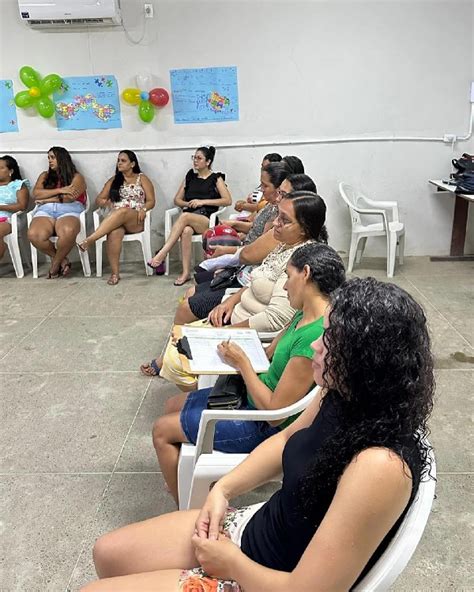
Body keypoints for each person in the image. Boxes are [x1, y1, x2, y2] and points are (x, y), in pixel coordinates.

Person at [82, 278, 435, 592]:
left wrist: (229, 562)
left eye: (328, 341)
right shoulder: (341, 391)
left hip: (263, 577)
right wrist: (222, 489)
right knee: (108, 553)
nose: (315, 346)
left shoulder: (381, 466)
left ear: (364, 359)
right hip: (256, 528)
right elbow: (283, 440)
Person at [152, 243, 346, 503]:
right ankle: (185, 481)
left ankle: (188, 510)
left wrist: (242, 363)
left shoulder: (313, 339)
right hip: (251, 396)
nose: (286, 286)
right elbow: (268, 354)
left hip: (262, 425)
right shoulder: (303, 314)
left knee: (161, 430)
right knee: (170, 406)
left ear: (306, 273)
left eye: (288, 277)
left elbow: (275, 414)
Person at [140, 188, 326, 381]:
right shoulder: (283, 244)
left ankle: (203, 390)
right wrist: (229, 302)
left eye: (284, 220)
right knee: (178, 338)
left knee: (175, 361)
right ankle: (196, 387)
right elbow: (256, 280)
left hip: (246, 331)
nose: (276, 223)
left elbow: (276, 319)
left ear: (304, 228)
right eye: (278, 215)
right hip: (235, 315)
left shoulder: (298, 262)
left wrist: (227, 331)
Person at [147, 146, 232, 286]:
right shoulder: (190, 177)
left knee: (184, 217)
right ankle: (185, 272)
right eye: (194, 157)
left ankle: (163, 253)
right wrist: (188, 203)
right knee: (186, 230)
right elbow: (177, 200)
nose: (195, 161)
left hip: (207, 219)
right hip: (190, 217)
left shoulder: (216, 178)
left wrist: (202, 202)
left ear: (208, 161)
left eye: (199, 158)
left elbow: (227, 200)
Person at [77, 151, 155, 285]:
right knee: (113, 232)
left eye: (123, 160)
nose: (119, 163)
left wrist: (144, 209)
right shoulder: (114, 180)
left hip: (135, 219)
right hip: (116, 220)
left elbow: (151, 201)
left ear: (132, 164)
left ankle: (91, 239)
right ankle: (115, 274)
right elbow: (99, 199)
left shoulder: (142, 178)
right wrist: (108, 203)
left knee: (123, 211)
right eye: (118, 160)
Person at [28, 146, 87, 278]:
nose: (50, 161)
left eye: (53, 157)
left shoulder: (77, 177)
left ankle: (55, 264)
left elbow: (69, 197)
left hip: (69, 209)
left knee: (68, 231)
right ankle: (62, 260)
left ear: (62, 159)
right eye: (48, 158)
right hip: (46, 211)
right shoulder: (45, 175)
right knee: (34, 235)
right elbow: (36, 194)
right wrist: (60, 190)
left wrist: (46, 199)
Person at [0, 155, 29, 263]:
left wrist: (0, 207)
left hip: (9, 219)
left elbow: (22, 206)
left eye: (1, 168)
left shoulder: (18, 185)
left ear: (10, 171)